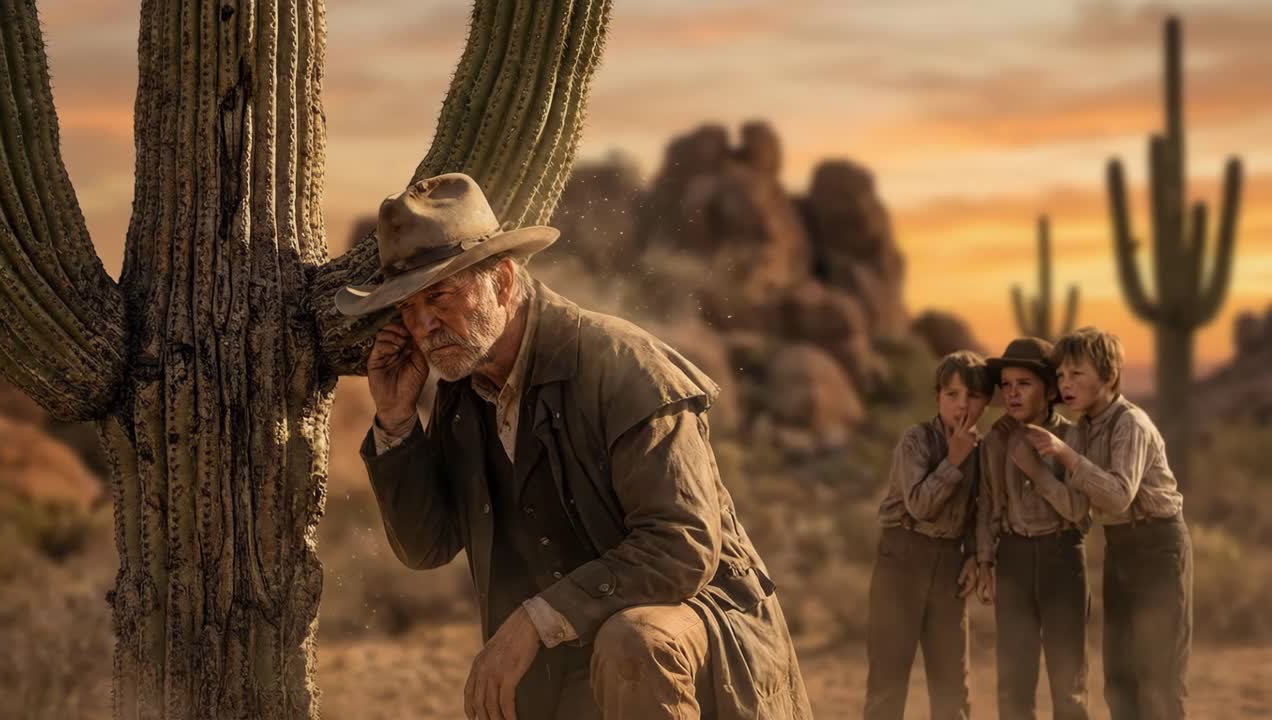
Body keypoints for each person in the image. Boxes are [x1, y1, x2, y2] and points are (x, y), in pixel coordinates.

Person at [336, 172, 812, 720]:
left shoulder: (624, 366)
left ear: (504, 282)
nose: (422, 325)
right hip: (572, 665)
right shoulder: (461, 397)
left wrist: (534, 621)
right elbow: (428, 547)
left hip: (702, 646)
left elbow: (682, 547)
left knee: (635, 641)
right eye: (407, 309)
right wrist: (396, 421)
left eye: (439, 296)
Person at [1022, 327, 1191, 720]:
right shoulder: (1081, 430)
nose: (1066, 384)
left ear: (1110, 375)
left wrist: (1065, 456)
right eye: (1061, 376)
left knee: (1160, 676)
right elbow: (1077, 507)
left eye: (1076, 374)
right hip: (1120, 547)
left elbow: (1117, 495)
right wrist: (1038, 474)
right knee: (1119, 675)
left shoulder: (1131, 424)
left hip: (1159, 547)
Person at [864, 350, 991, 720]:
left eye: (973, 396)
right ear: (937, 396)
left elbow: (982, 510)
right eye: (952, 395)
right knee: (888, 679)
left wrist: (975, 555)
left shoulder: (984, 452)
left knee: (952, 683)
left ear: (986, 401)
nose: (962, 405)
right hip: (902, 557)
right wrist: (953, 460)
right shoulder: (916, 441)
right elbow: (919, 504)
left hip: (949, 562)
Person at [976, 337, 1090, 719]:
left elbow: (1079, 513)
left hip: (1062, 557)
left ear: (1049, 389)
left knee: (1068, 684)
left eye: (1023, 383)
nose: (1012, 393)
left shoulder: (1073, 439)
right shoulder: (995, 440)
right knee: (1013, 686)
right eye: (1006, 385)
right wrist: (986, 561)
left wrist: (1038, 471)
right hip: (1013, 559)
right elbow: (988, 505)